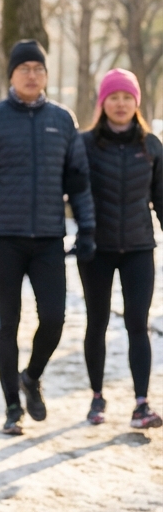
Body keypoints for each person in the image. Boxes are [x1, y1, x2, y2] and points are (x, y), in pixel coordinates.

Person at [0, 39, 96, 436]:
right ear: (12, 75)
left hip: (49, 238)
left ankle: (31, 376)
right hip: (3, 237)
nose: (32, 75)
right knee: (8, 323)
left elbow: (79, 181)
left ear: (46, 75)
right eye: (25, 69)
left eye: (39, 69)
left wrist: (87, 228)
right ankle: (11, 406)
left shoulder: (63, 120)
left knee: (54, 318)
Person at [78, 69, 163, 429]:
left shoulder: (151, 145)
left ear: (136, 102)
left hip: (139, 248)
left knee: (137, 323)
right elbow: (73, 193)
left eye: (127, 97)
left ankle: (141, 404)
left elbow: (161, 198)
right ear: (103, 102)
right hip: (96, 249)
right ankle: (97, 397)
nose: (121, 103)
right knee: (96, 322)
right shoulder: (84, 144)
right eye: (113, 97)